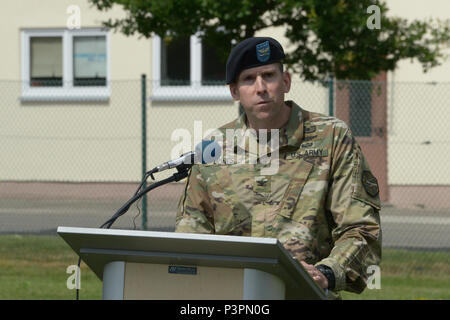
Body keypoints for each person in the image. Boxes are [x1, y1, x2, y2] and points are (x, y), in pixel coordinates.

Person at [175, 37, 382, 298]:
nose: (261, 87)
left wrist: (326, 273)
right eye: (249, 79)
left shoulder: (331, 138)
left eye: (268, 76)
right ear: (234, 91)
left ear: (285, 82)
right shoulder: (213, 150)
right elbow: (190, 239)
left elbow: (362, 230)